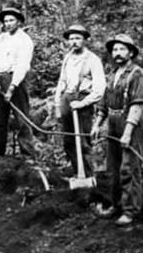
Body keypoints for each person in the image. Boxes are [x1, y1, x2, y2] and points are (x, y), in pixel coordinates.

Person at [90, 34, 143, 226]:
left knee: (129, 168)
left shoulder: (136, 74)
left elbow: (137, 105)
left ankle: (131, 211)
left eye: (121, 49)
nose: (117, 53)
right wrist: (97, 124)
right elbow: (103, 104)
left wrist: (128, 132)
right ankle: (116, 205)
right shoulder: (112, 74)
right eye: (114, 50)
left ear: (130, 52)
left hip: (131, 123)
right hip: (112, 124)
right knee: (112, 167)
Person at [54, 25, 105, 176]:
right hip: (67, 100)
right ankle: (77, 173)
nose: (74, 42)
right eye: (71, 39)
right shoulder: (68, 58)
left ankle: (89, 176)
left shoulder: (93, 60)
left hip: (83, 101)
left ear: (85, 40)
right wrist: (58, 104)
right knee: (68, 142)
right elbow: (61, 81)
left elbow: (99, 88)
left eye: (77, 38)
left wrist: (83, 103)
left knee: (83, 142)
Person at [0, 7, 37, 158]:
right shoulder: (1, 38)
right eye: (6, 21)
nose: (8, 23)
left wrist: (12, 87)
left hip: (16, 79)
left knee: (21, 117)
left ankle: (27, 155)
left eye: (11, 20)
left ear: (18, 22)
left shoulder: (24, 40)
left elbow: (23, 65)